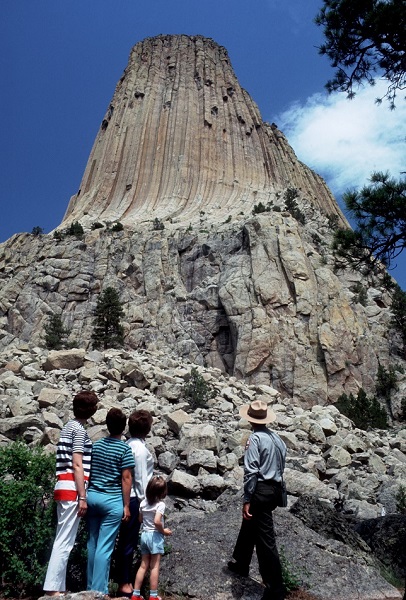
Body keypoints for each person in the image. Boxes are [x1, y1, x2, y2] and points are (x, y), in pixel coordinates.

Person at [227, 399, 287, 600]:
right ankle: (241, 562)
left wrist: (247, 498)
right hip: (275, 489)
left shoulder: (254, 439)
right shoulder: (276, 438)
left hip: (260, 490)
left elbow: (251, 471)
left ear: (250, 419)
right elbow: (282, 461)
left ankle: (275, 588)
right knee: (250, 523)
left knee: (265, 541)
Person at [43, 390, 99, 596]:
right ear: (91, 410)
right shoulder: (79, 430)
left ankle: (58, 586)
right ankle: (51, 588)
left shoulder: (68, 427)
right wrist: (82, 496)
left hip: (62, 485)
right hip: (72, 488)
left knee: (64, 538)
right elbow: (77, 464)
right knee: (65, 540)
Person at [86, 407, 135, 595]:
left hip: (92, 497)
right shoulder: (124, 448)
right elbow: (126, 478)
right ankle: (98, 591)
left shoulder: (96, 445)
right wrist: (125, 505)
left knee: (92, 543)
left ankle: (89, 585)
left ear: (107, 425)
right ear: (123, 428)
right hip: (112, 500)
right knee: (105, 548)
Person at [116, 409, 154, 597]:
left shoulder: (127, 444)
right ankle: (124, 581)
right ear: (147, 429)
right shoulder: (139, 449)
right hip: (134, 500)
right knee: (128, 541)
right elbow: (140, 479)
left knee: (124, 541)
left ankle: (122, 579)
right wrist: (146, 505)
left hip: (126, 497)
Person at [131, 476, 172, 600]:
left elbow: (140, 519)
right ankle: (153, 596)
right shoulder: (160, 505)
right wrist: (164, 531)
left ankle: (135, 594)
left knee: (143, 565)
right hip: (155, 536)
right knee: (154, 566)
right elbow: (157, 521)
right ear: (163, 492)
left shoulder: (143, 503)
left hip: (144, 535)